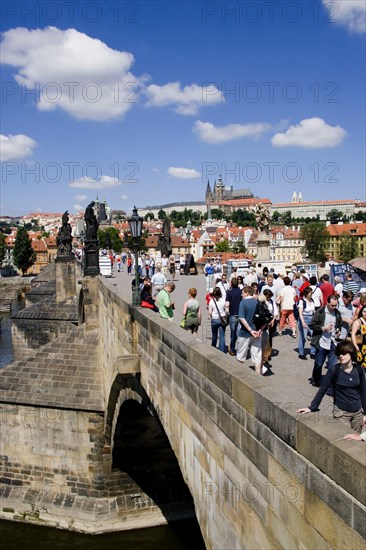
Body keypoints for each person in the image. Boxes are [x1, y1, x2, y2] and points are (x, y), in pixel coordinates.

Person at [298, 340, 366, 434]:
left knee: (355, 441)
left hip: (357, 414)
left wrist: (365, 413)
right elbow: (322, 389)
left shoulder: (359, 370)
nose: (341, 356)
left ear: (351, 354)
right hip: (341, 413)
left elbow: (363, 392)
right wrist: (312, 407)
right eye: (339, 354)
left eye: (344, 353)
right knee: (343, 440)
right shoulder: (334, 370)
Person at [308, 295, 342, 387]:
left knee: (332, 366)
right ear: (327, 303)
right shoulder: (320, 312)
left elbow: (339, 325)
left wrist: (338, 331)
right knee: (319, 364)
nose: (334, 307)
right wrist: (323, 328)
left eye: (336, 305)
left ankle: (330, 383)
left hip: (332, 342)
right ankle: (316, 379)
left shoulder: (337, 313)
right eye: (332, 305)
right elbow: (311, 325)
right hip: (321, 342)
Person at [237, 286, 262, 375]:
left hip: (245, 333)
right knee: (257, 355)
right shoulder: (257, 303)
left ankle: (241, 375)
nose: (241, 294)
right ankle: (258, 374)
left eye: (243, 292)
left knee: (241, 356)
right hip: (257, 333)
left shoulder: (243, 303)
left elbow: (242, 318)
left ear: (247, 293)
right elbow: (264, 318)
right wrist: (259, 330)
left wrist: (250, 330)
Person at [297, 287, 316, 360]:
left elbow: (314, 311)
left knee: (313, 336)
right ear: (306, 293)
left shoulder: (312, 301)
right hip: (304, 319)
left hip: (311, 319)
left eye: (312, 293)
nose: (312, 294)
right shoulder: (302, 301)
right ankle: (301, 353)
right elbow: (300, 313)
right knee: (303, 337)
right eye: (310, 293)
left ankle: (313, 352)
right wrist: (303, 323)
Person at [225, 277, 242, 356]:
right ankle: (240, 349)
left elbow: (227, 304)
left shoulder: (229, 292)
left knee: (233, 333)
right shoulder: (240, 291)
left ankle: (232, 349)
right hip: (240, 314)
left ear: (231, 283)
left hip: (232, 314)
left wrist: (226, 313)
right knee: (239, 333)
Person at [208, 287, 227, 353]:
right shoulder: (223, 300)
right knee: (222, 335)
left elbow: (210, 312)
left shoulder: (211, 301)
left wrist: (211, 317)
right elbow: (226, 309)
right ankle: (222, 350)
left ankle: (213, 347)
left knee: (214, 334)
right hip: (222, 318)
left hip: (214, 318)